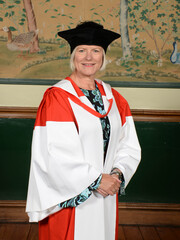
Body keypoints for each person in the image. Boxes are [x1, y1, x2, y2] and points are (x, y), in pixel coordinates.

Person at [26, 21, 141, 240]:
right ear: (73, 56)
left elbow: (129, 144)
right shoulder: (58, 97)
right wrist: (97, 181)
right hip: (71, 198)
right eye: (82, 51)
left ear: (103, 57)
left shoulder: (115, 99)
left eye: (95, 51)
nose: (89, 57)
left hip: (107, 193)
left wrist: (116, 174)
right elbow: (55, 153)